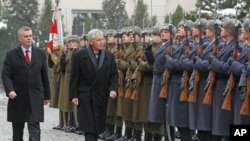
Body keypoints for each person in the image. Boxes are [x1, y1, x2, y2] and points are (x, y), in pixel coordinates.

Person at [1, 26, 50, 141]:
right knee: (18, 130)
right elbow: (6, 75)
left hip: (35, 96)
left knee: (34, 129)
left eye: (30, 36)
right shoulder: (11, 54)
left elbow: (44, 75)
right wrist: (10, 90)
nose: (29, 38)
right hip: (18, 97)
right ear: (19, 38)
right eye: (26, 36)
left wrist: (47, 95)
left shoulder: (40, 53)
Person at [70, 28, 119, 141]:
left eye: (103, 39)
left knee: (97, 127)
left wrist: (113, 89)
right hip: (86, 96)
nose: (102, 42)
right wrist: (74, 95)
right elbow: (74, 77)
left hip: (101, 96)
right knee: (89, 128)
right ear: (91, 41)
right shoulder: (79, 55)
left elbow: (114, 75)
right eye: (98, 40)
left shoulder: (109, 56)